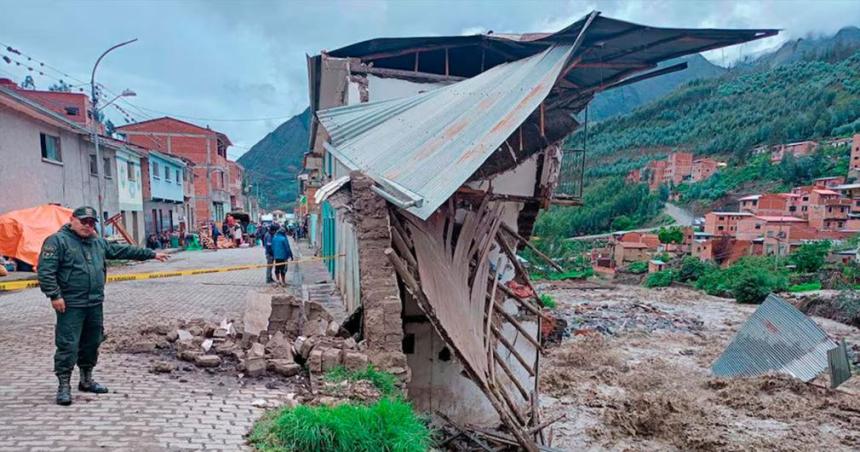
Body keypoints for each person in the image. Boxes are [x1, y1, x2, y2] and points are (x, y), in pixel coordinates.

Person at [37, 206, 169, 406]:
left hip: (94, 303)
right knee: (68, 345)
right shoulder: (57, 241)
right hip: (71, 305)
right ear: (72, 219)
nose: (87, 226)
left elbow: (122, 250)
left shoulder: (97, 242)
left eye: (91, 223)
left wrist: (150, 254)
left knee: (92, 343)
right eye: (84, 221)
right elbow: (46, 271)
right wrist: (55, 295)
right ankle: (64, 385)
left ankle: (86, 379)